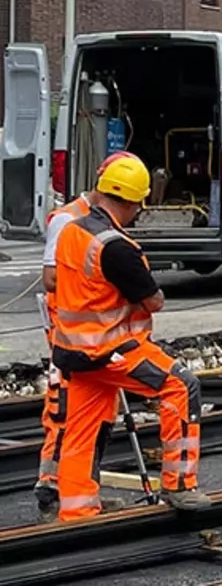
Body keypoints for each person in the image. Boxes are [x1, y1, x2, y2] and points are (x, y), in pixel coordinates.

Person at [51, 155, 211, 521]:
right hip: (112, 350)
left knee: (82, 430)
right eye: (139, 204)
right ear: (131, 200)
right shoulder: (116, 247)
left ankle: (77, 510)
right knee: (181, 386)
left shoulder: (72, 231)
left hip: (73, 351)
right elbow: (153, 300)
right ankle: (180, 484)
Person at [35, 151, 137, 523]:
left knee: (98, 413)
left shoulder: (102, 221)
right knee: (66, 413)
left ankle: (81, 491)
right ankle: (53, 490)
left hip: (97, 335)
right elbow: (51, 279)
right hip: (71, 335)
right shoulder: (69, 220)